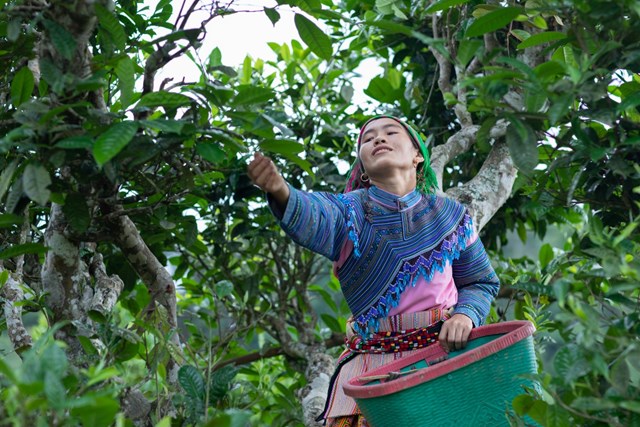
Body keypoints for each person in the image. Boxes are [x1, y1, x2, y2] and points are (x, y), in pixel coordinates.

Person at [248, 116, 500, 426]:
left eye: (391, 133)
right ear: (363, 169)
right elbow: (316, 212)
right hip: (372, 369)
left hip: (444, 359)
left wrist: (466, 315)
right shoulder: (348, 211)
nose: (378, 139)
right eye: (368, 139)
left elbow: (480, 281)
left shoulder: (452, 216)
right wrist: (281, 190)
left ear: (417, 155)